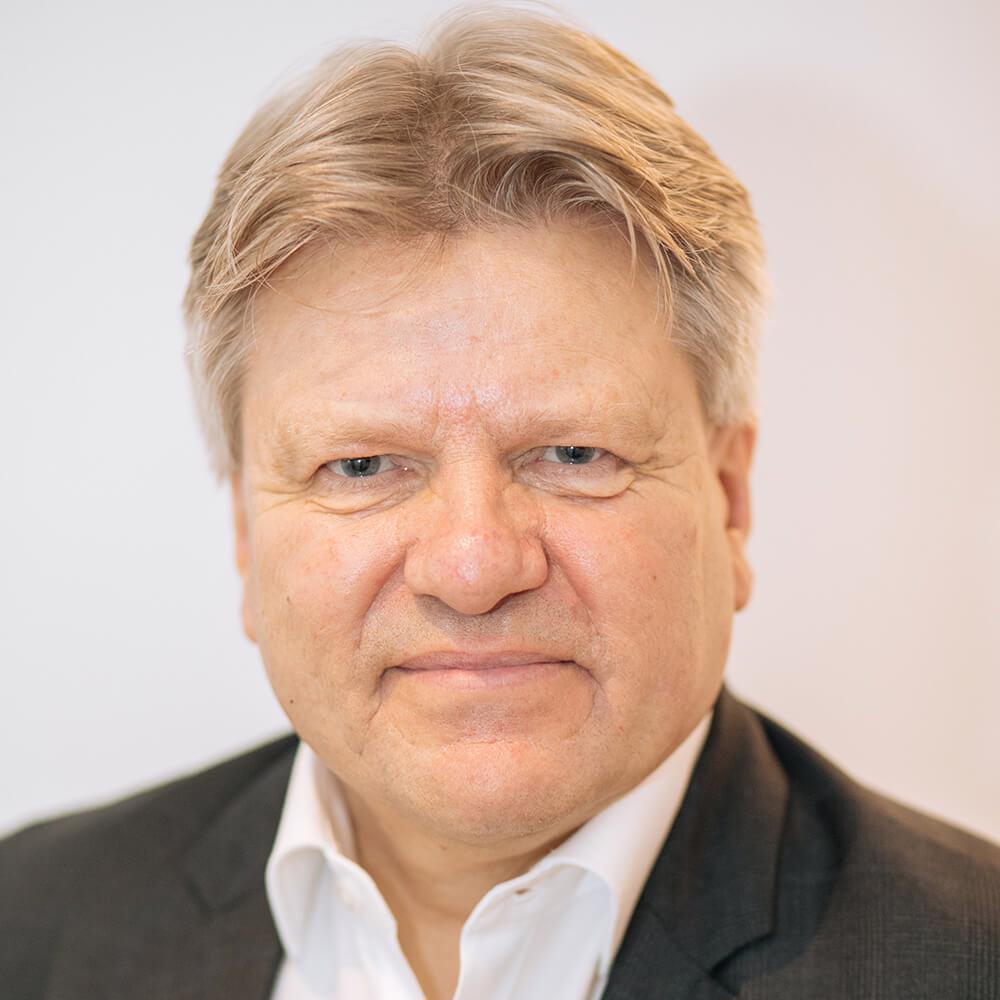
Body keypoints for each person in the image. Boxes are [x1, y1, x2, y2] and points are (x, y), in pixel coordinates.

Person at [1, 6, 997, 999]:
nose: (473, 568)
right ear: (245, 535)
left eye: (573, 453)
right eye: (362, 466)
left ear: (729, 501)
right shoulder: (32, 925)